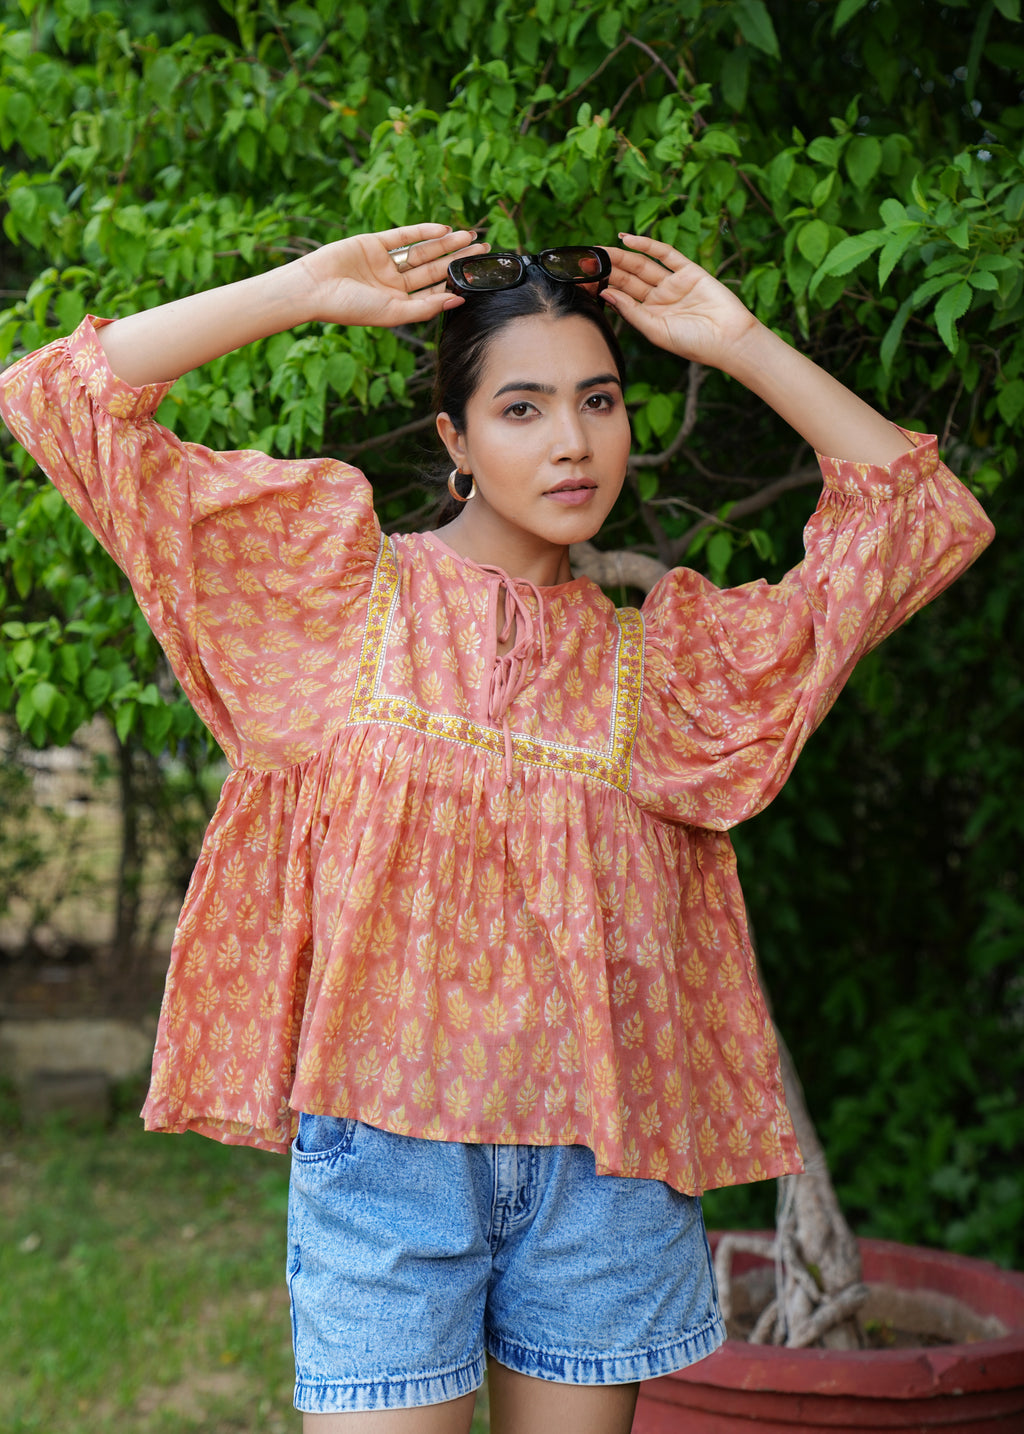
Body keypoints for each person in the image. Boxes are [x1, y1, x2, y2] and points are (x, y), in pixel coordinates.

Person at [0, 222, 994, 1433]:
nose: (573, 442)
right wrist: (306, 289)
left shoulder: (673, 673)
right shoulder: (335, 600)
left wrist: (737, 343)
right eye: (521, 409)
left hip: (604, 1177)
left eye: (599, 402)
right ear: (454, 443)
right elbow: (56, 395)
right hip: (388, 1158)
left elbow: (920, 521)